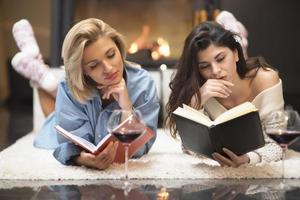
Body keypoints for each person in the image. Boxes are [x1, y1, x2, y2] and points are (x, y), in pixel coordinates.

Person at [11, 18, 160, 170]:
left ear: (119, 48)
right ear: (83, 71)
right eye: (94, 65)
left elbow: (141, 148)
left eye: (111, 55)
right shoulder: (69, 87)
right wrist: (81, 158)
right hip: (66, 108)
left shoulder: (144, 84)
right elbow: (66, 144)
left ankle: (39, 72)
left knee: (56, 105)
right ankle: (39, 76)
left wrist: (126, 107)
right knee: (52, 119)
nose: (108, 68)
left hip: (75, 99)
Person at [166, 21, 283, 167]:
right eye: (204, 66)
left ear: (235, 54)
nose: (215, 71)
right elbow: (190, 148)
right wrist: (198, 100)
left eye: (220, 59)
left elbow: (279, 144)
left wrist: (247, 159)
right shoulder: (200, 90)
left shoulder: (265, 79)